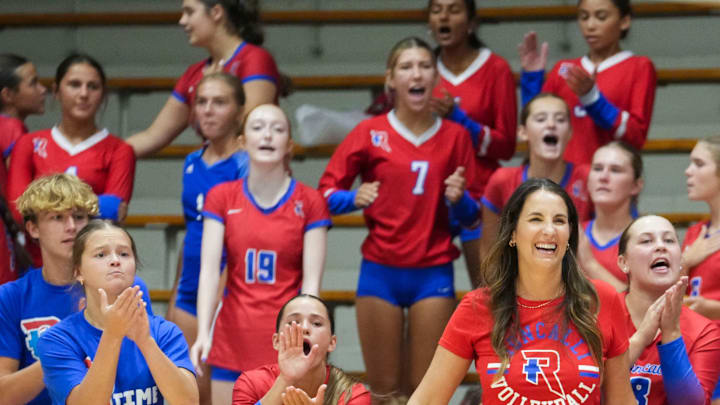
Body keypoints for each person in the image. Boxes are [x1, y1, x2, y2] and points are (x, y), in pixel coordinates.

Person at [318, 37, 482, 401]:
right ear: (390, 79)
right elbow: (324, 196)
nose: (416, 73)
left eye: (424, 65)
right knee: (383, 392)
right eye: (406, 67)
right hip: (380, 271)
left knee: (427, 392)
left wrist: (460, 200)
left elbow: (473, 218)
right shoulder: (368, 132)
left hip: (433, 271)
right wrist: (351, 198)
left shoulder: (456, 137)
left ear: (435, 76)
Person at [408, 178, 635, 405]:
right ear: (513, 234)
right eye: (536, 219)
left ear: (569, 235)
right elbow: (426, 400)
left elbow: (622, 401)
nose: (549, 230)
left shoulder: (601, 299)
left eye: (559, 221)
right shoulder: (479, 306)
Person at [191, 104, 330, 405]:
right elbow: (208, 270)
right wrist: (203, 332)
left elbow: (312, 286)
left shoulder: (310, 201)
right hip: (232, 336)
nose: (267, 135)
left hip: (287, 341)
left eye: (278, 129)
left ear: (289, 145)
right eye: (257, 127)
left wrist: (305, 339)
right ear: (242, 141)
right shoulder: (222, 197)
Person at [0, 174, 151, 405]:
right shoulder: (11, 297)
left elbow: (141, 375)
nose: (71, 227)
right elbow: (4, 395)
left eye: (79, 217)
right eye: (57, 217)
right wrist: (61, 352)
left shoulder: (126, 286)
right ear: (33, 228)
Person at [36, 220, 198, 405]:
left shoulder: (164, 332)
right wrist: (112, 334)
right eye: (101, 254)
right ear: (78, 271)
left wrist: (145, 342)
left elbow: (189, 401)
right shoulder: (57, 340)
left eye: (124, 253)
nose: (115, 260)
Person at [166, 72, 249, 405]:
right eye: (202, 102)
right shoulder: (191, 162)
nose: (209, 110)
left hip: (228, 296)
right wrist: (176, 296)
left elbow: (241, 242)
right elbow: (192, 233)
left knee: (223, 396)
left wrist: (215, 299)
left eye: (220, 102)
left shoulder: (245, 165)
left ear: (240, 111)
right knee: (189, 395)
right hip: (189, 292)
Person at [126, 0, 280, 157]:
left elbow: (247, 129)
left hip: (248, 176)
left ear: (216, 13)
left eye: (190, 12)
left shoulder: (254, 59)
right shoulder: (194, 73)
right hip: (211, 173)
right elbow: (152, 136)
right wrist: (104, 153)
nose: (182, 20)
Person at [518, 0, 656, 165]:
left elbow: (636, 136)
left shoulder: (639, 66)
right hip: (562, 180)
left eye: (601, 17)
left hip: (608, 180)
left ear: (624, 21)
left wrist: (592, 99)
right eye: (584, 17)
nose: (590, 25)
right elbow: (535, 127)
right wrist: (532, 79)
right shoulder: (564, 69)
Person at [7, 53, 136, 223]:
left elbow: (114, 214)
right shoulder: (28, 144)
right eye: (74, 84)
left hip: (91, 248)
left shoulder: (120, 150)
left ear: (104, 95)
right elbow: (19, 211)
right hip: (38, 250)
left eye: (93, 86)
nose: (84, 93)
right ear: (56, 91)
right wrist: (96, 205)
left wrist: (44, 205)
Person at [619, 215, 720, 405]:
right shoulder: (596, 314)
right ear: (623, 263)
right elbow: (590, 385)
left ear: (680, 260)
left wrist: (672, 333)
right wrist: (642, 337)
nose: (661, 246)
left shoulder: (705, 331)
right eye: (646, 241)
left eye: (669, 240)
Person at [480, 93, 591, 261]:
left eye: (560, 120)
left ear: (570, 132)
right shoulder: (502, 181)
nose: (551, 125)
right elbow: (489, 252)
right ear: (523, 132)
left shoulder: (588, 178)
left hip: (576, 281)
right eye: (541, 119)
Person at [232, 294, 371, 405]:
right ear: (277, 341)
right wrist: (285, 379)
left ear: (332, 342)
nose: (304, 328)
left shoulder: (353, 395)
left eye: (316, 323)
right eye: (294, 322)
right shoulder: (251, 383)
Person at [682, 136, 720, 404]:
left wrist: (712, 307)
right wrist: (685, 260)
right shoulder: (696, 232)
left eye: (698, 163)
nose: (688, 171)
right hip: (699, 348)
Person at [578, 141, 643, 292]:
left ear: (636, 186)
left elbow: (642, 304)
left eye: (615, 170)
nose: (603, 177)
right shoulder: (571, 232)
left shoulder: (646, 239)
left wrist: (590, 264)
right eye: (597, 168)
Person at [0, 53, 46, 194]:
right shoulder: (11, 127)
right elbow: (21, 189)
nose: (43, 89)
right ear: (7, 95)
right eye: (33, 83)